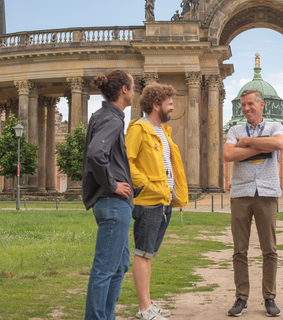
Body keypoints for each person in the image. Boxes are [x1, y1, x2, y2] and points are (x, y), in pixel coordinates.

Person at [126, 83, 189, 320]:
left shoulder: (162, 131)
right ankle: (144, 309)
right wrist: (145, 185)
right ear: (156, 105)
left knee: (149, 254)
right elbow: (126, 160)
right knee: (143, 253)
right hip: (148, 201)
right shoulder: (139, 129)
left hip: (163, 201)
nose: (173, 107)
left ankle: (148, 303)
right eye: (169, 103)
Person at [224, 88, 283, 317]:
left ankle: (269, 298)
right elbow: (229, 155)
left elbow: (278, 144)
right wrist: (262, 147)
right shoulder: (234, 129)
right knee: (240, 250)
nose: (246, 108)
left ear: (262, 105)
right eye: (243, 105)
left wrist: (248, 142)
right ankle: (241, 298)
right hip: (240, 193)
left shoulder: (275, 127)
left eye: (250, 104)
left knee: (269, 249)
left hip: (267, 193)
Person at [82, 69, 136, 320]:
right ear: (124, 89)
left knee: (120, 264)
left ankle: (106, 315)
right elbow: (96, 154)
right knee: (105, 269)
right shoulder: (112, 118)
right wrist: (113, 184)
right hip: (113, 203)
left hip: (114, 204)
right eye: (133, 87)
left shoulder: (102, 115)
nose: (134, 92)